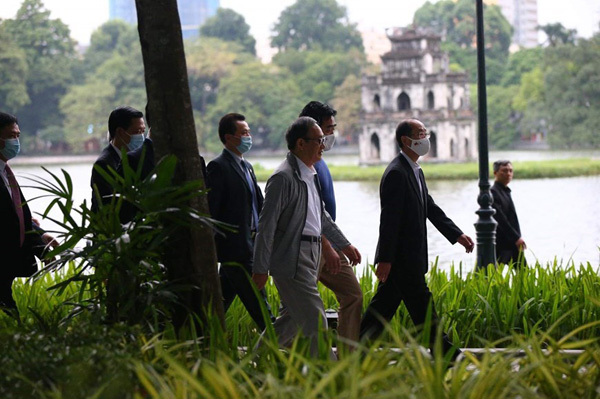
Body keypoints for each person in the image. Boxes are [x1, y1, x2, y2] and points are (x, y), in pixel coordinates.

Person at [359, 118, 475, 360]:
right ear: (406, 140)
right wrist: (385, 259)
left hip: (409, 258)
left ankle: (357, 351)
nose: (426, 138)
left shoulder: (414, 170)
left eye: (425, 132)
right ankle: (446, 353)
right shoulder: (396, 173)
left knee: (384, 310)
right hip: (401, 259)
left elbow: (429, 207)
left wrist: (456, 234)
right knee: (419, 305)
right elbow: (389, 221)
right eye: (420, 133)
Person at [252, 117, 361, 358]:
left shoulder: (309, 174)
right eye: (318, 140)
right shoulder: (283, 178)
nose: (323, 145)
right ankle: (327, 378)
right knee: (315, 319)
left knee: (290, 320)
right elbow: (266, 226)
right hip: (292, 258)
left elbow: (320, 217)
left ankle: (252, 362)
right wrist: (260, 267)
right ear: (300, 144)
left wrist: (344, 244)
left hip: (312, 255)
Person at [298, 101, 363, 347]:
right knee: (299, 310)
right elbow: (309, 213)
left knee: (353, 295)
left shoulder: (318, 162)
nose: (331, 134)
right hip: (311, 248)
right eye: (327, 128)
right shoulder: (301, 168)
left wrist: (341, 245)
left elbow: (323, 214)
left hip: (327, 244)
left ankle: (347, 356)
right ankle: (296, 356)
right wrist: (328, 247)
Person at [206, 113, 274, 330]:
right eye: (244, 133)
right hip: (235, 250)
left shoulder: (248, 167)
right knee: (261, 308)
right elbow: (213, 211)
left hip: (250, 245)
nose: (249, 137)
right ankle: (278, 349)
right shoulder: (218, 167)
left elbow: (258, 204)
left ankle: (204, 340)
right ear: (229, 137)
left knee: (218, 306)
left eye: (249, 132)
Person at [0, 112, 57, 312]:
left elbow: (18, 217)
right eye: (11, 136)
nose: (16, 141)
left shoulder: (5, 172)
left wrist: (41, 237)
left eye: (17, 136)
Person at [90, 106, 147, 213]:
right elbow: (107, 205)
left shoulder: (137, 158)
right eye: (137, 131)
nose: (141, 136)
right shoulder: (104, 164)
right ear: (120, 132)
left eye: (143, 131)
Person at [491, 160, 527, 266]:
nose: (508, 174)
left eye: (511, 171)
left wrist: (517, 237)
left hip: (512, 242)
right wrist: (516, 238)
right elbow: (501, 220)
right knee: (495, 276)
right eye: (504, 171)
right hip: (502, 244)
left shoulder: (505, 191)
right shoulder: (493, 192)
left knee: (524, 275)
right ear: (495, 173)